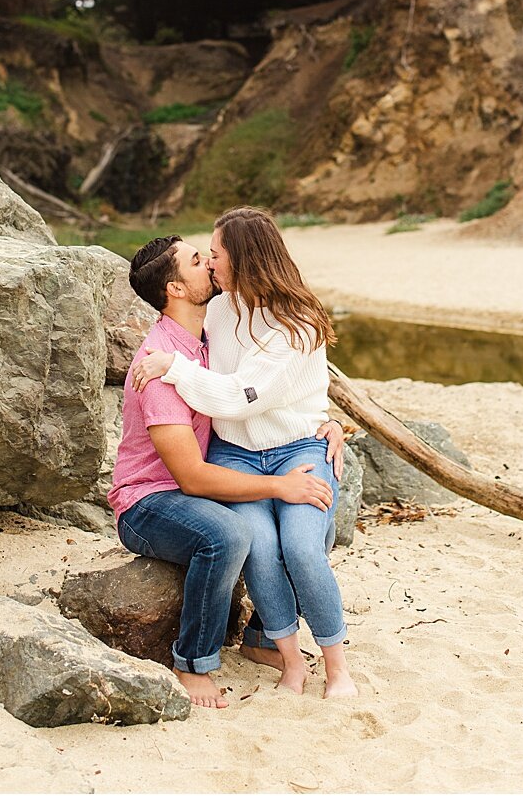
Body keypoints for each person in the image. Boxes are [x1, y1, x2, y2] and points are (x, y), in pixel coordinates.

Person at [132, 206, 359, 699]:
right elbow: (218, 385)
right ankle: (291, 662)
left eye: (213, 255)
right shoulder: (216, 310)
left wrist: (334, 423)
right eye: (203, 258)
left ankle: (338, 668)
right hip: (235, 453)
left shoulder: (295, 322)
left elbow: (245, 393)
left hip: (298, 447)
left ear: (244, 259)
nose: (210, 264)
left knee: (302, 545)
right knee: (257, 543)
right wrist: (172, 363)